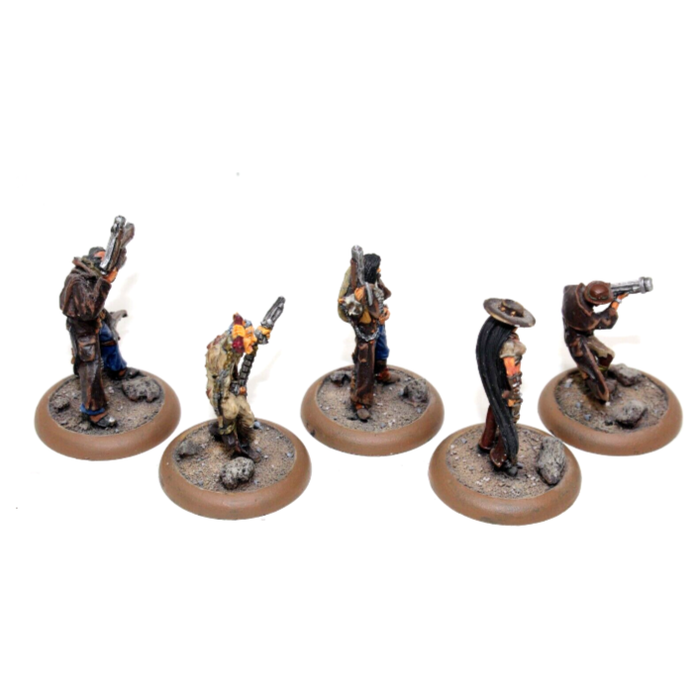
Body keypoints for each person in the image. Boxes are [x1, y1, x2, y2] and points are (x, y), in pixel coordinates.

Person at [59, 247, 134, 428]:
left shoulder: (90, 275)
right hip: (84, 330)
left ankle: (117, 370)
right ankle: (94, 413)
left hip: (96, 322)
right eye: (102, 260)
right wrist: (106, 282)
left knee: (109, 341)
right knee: (90, 368)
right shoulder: (77, 281)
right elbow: (89, 311)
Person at [476, 299, 536, 476]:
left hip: (497, 382)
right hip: (506, 385)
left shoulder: (491, 337)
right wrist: (515, 389)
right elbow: (511, 370)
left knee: (494, 409)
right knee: (507, 419)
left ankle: (486, 442)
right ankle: (501, 457)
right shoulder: (509, 345)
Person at [339, 248, 396, 421]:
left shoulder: (375, 283)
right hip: (366, 331)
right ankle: (360, 401)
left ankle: (381, 372)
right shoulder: (360, 290)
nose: (380, 270)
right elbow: (349, 308)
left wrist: (385, 311)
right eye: (377, 267)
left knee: (382, 351)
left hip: (378, 325)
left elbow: (380, 300)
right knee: (364, 365)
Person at [562, 281, 626, 402]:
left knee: (607, 355)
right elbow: (606, 322)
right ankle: (594, 388)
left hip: (585, 334)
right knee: (591, 370)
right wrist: (617, 301)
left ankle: (601, 374)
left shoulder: (572, 291)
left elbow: (595, 289)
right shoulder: (585, 317)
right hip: (576, 341)